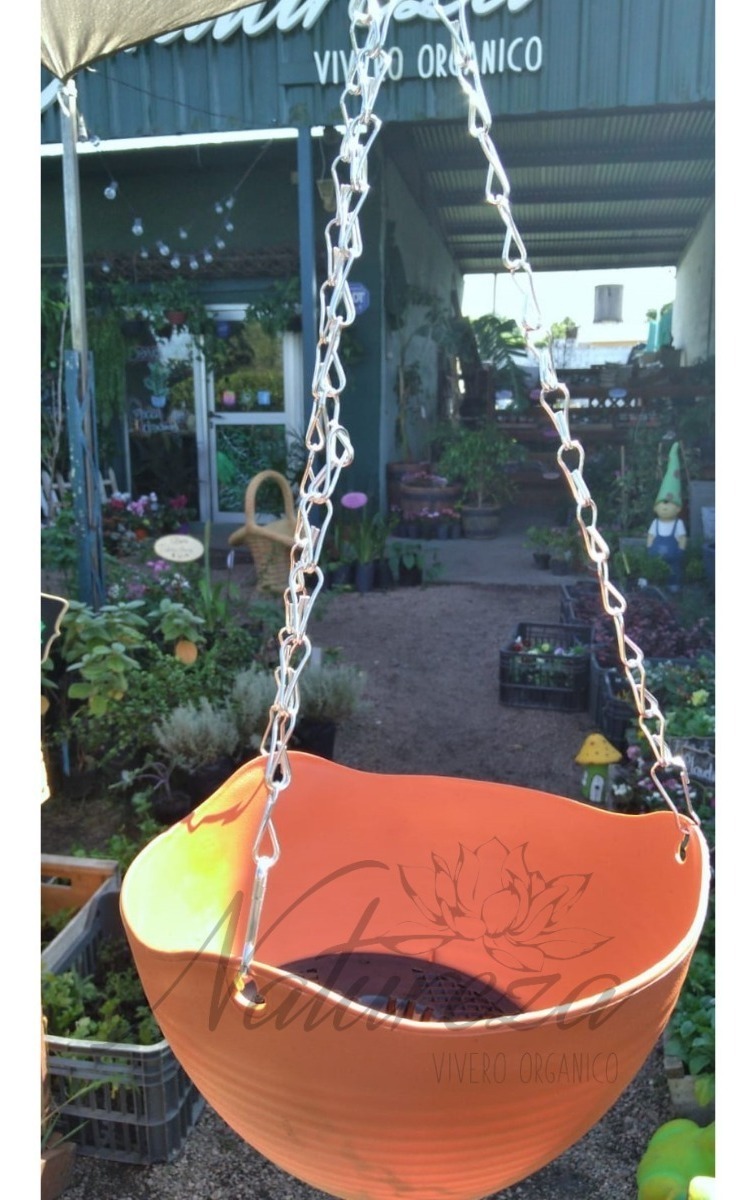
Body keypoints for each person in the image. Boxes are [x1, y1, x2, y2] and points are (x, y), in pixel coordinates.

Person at [647, 440, 686, 590]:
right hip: (656, 557)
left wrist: (681, 550)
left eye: (669, 504)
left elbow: (682, 538)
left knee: (673, 571)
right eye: (661, 504)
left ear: (678, 508)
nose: (664, 508)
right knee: (656, 571)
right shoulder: (655, 523)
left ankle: (673, 585)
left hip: (673, 557)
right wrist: (649, 547)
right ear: (655, 508)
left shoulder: (678, 524)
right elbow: (651, 536)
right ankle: (656, 584)